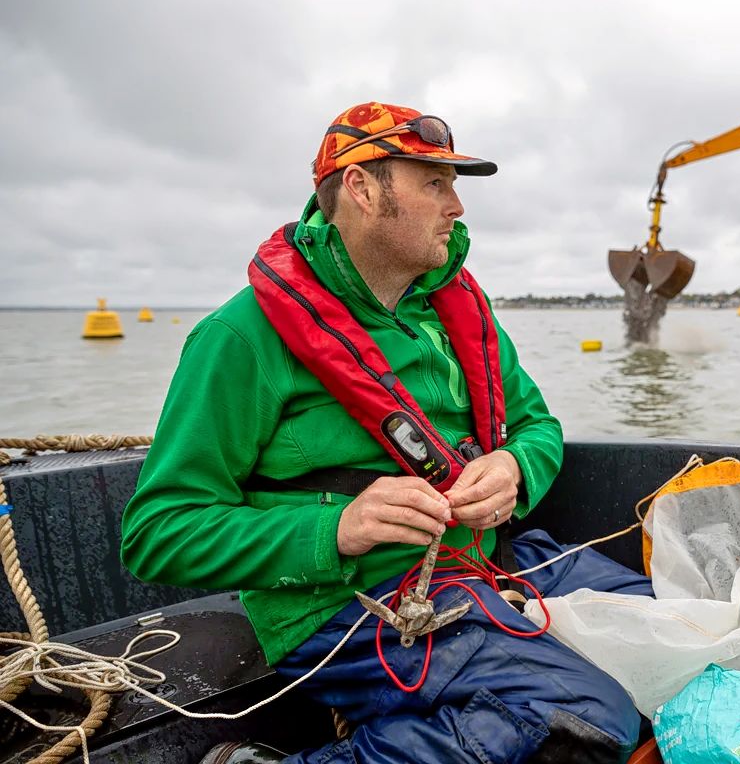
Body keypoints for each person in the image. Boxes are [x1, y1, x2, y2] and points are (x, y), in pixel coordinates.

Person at [121, 102, 648, 764]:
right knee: (590, 720)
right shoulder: (242, 336)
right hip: (352, 605)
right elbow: (158, 531)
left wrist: (514, 468)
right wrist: (339, 529)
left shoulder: (457, 311)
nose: (457, 206)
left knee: (674, 626)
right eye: (434, 183)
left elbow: (536, 425)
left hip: (488, 560)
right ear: (363, 189)